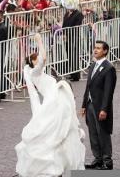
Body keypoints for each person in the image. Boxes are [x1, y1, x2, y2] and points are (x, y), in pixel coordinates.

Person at [15, 34, 85, 177]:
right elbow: (44, 58)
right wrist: (39, 41)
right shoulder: (35, 72)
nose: (39, 59)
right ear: (34, 62)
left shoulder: (36, 74)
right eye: (36, 58)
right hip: (54, 101)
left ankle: (57, 162)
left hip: (55, 100)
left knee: (57, 129)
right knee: (56, 129)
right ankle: (52, 164)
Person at [81, 41, 117, 170]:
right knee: (93, 133)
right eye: (94, 48)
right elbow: (88, 87)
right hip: (91, 105)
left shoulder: (109, 68)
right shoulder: (93, 65)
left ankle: (107, 161)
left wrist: (104, 109)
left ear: (105, 51)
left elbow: (108, 92)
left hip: (101, 107)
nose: (95, 50)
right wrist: (84, 104)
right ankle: (98, 159)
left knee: (103, 132)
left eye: (98, 48)